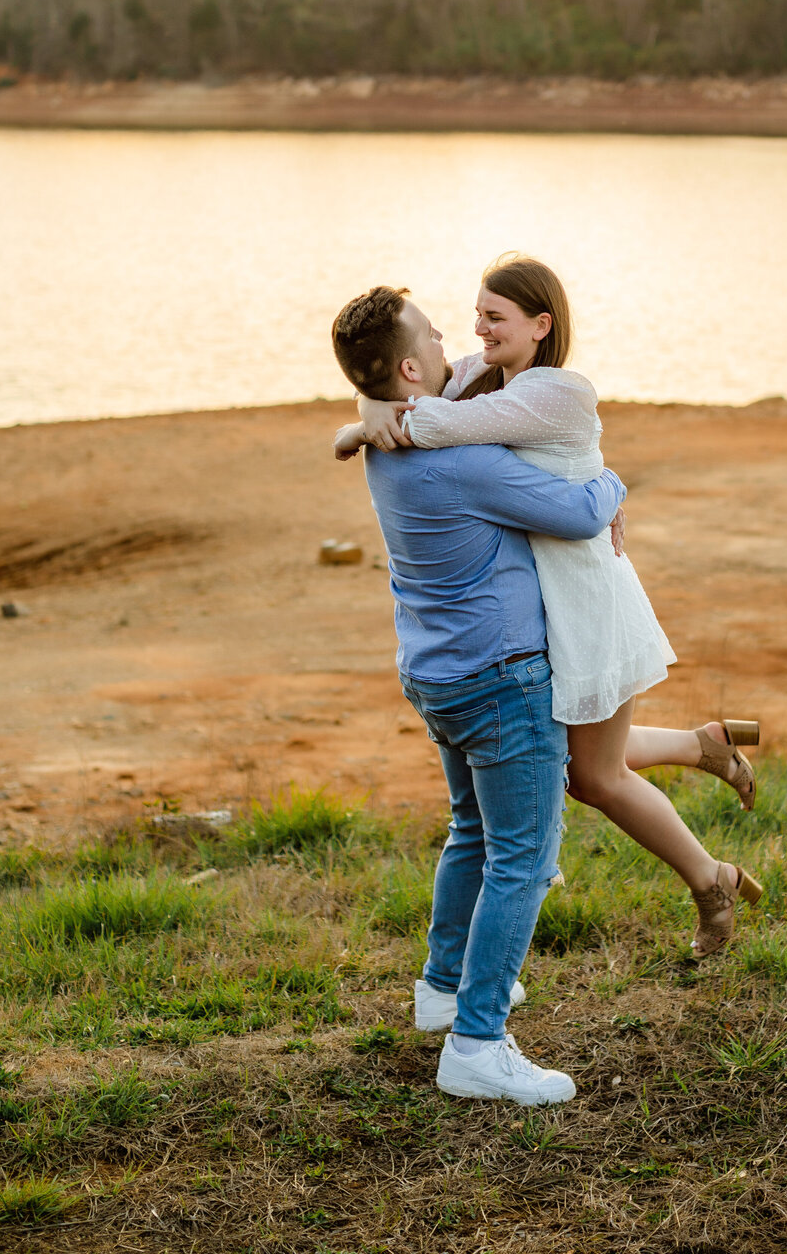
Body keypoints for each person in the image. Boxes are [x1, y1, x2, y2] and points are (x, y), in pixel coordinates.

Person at [335, 256, 762, 960]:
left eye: (495, 317)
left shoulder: (557, 392)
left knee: (591, 776)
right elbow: (415, 387)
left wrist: (376, 415)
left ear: (543, 325)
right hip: (542, 607)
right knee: (573, 763)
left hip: (585, 594)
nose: (476, 330)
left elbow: (431, 424)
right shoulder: (479, 375)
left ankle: (710, 881)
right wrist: (371, 404)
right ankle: (701, 747)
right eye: (476, 316)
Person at [331, 282, 626, 1105]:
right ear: (412, 368)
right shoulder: (461, 460)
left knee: (472, 830)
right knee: (523, 860)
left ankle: (442, 986)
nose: (454, 341)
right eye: (433, 334)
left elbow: (407, 389)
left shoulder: (388, 440)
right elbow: (574, 512)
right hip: (498, 677)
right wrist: (617, 487)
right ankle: (477, 1042)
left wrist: (365, 402)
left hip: (434, 671)